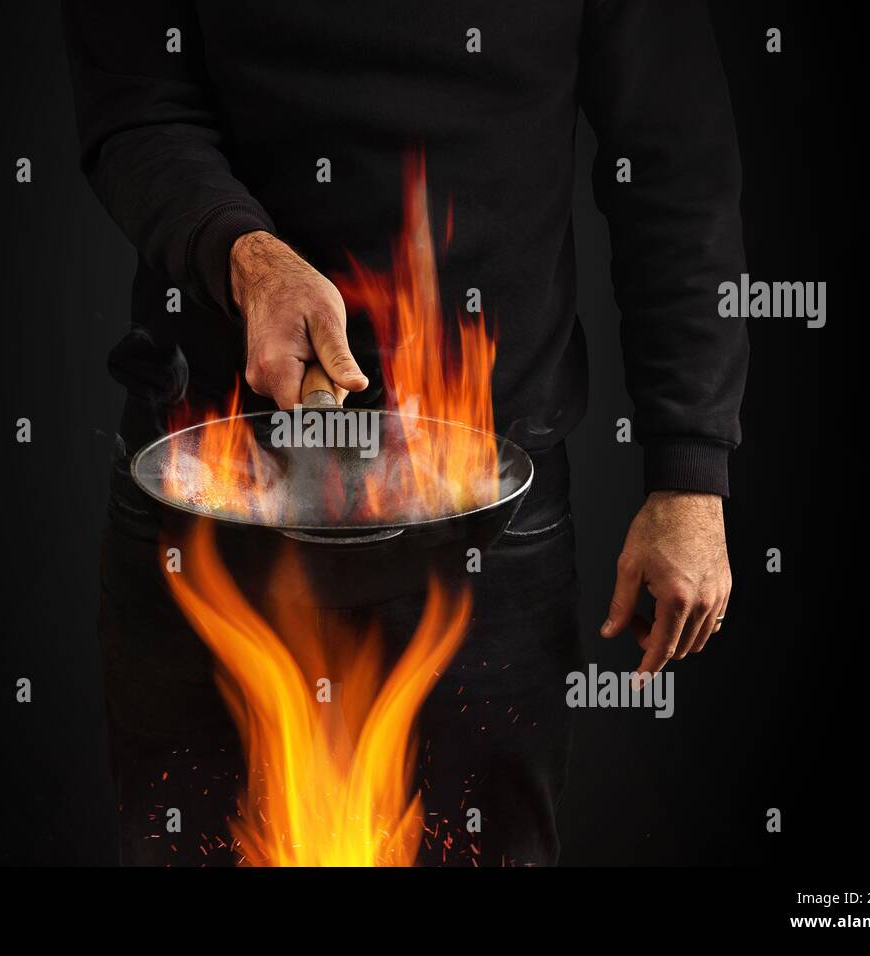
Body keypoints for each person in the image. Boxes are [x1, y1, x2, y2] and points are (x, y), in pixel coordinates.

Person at [63, 0, 746, 865]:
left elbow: (673, 157)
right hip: (213, 488)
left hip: (485, 510)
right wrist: (244, 254)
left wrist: (689, 470)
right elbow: (137, 106)